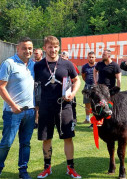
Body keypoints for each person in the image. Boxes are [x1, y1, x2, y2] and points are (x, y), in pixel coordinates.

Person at [34, 36, 81, 179]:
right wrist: (36, 109)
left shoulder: (67, 64)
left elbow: (77, 80)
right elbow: (34, 86)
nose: (53, 49)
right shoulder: (38, 66)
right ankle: (47, 168)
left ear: (58, 48)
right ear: (44, 48)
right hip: (45, 107)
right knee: (46, 138)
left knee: (68, 137)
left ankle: (70, 168)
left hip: (64, 106)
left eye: (55, 47)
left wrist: (72, 93)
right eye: (49, 47)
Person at [0, 37, 35, 179]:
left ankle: (23, 170)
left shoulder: (33, 65)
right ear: (17, 48)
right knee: (7, 143)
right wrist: (13, 106)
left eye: (30, 48)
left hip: (30, 111)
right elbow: (0, 87)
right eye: (24, 48)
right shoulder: (9, 63)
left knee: (25, 143)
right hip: (13, 112)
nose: (27, 51)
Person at [61, 51, 80, 124]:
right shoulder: (58, 64)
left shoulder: (72, 65)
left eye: (64, 56)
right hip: (61, 87)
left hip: (70, 87)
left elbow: (76, 76)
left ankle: (74, 119)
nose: (62, 57)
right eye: (61, 56)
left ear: (67, 57)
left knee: (72, 104)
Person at [81, 51, 96, 124]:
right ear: (88, 57)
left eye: (92, 57)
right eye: (90, 57)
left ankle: (96, 119)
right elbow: (83, 76)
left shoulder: (97, 66)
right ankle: (87, 119)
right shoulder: (84, 67)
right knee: (87, 103)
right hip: (87, 86)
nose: (91, 58)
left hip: (96, 87)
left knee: (96, 103)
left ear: (95, 58)